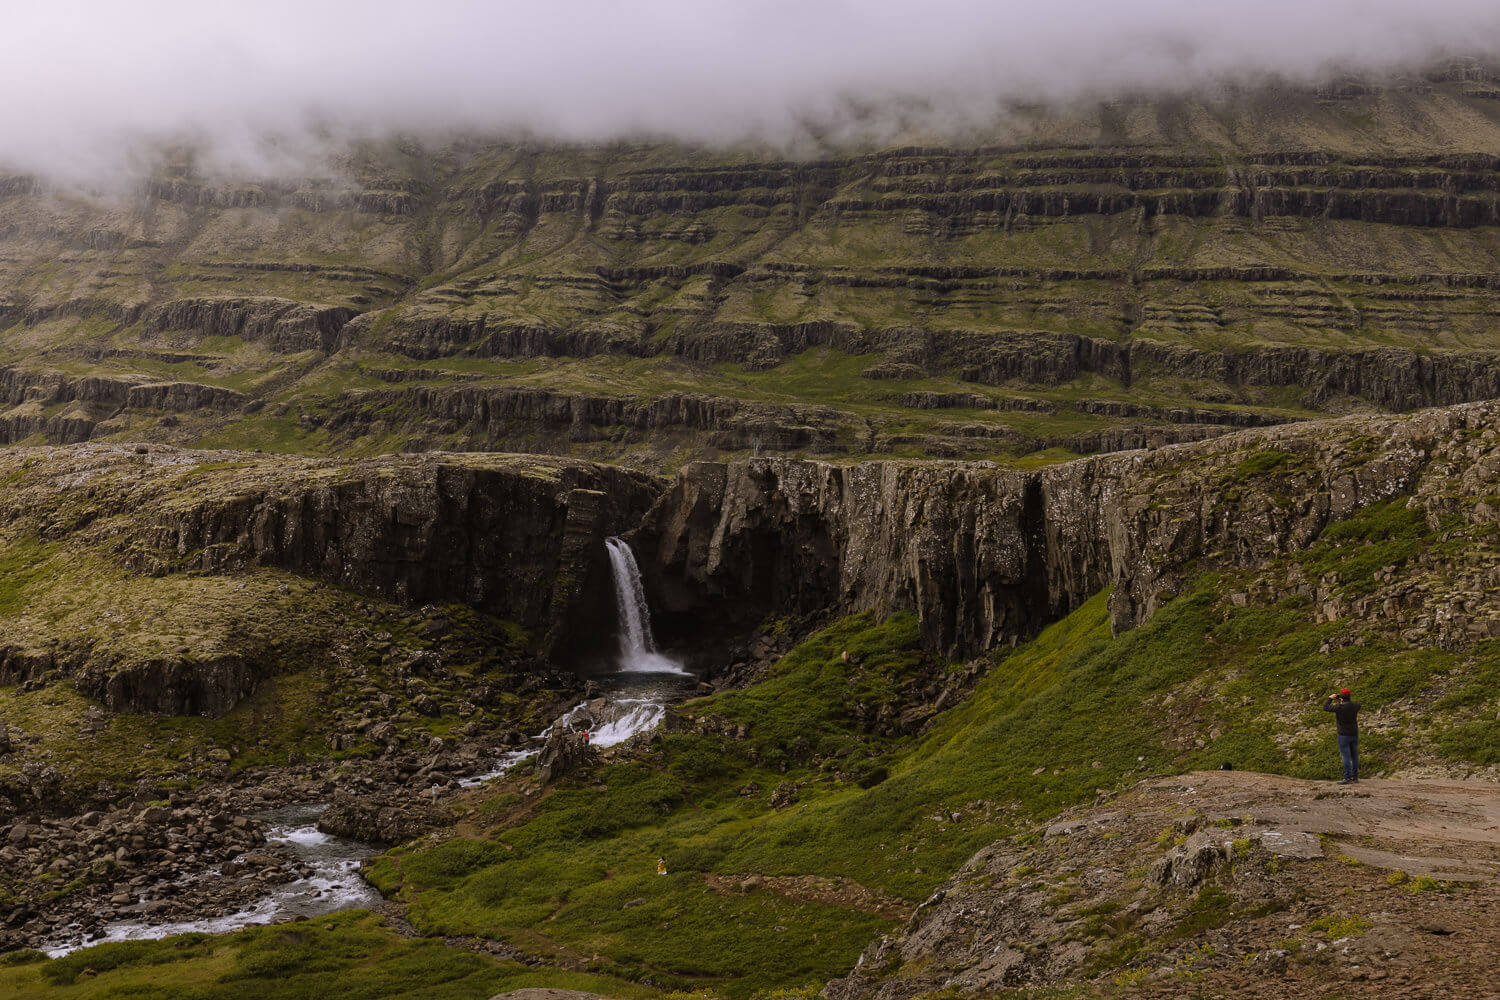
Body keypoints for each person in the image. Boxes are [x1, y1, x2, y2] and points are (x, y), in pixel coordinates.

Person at [1322, 688, 1360, 784]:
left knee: (1346, 756)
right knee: (1354, 755)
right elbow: (1356, 705)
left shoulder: (1339, 707)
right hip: (1354, 733)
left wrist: (1330, 698)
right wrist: (1343, 700)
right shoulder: (1355, 706)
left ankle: (1347, 777)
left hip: (1343, 735)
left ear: (1341, 698)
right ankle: (1354, 777)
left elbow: (1326, 707)